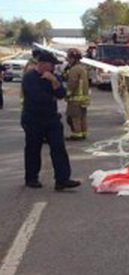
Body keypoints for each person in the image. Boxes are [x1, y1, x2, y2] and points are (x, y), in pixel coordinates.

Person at [21, 50, 80, 190]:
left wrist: (54, 81)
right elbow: (38, 98)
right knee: (33, 149)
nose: (54, 67)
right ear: (42, 64)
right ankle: (31, 178)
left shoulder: (55, 77)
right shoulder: (30, 77)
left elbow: (61, 94)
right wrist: (51, 95)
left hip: (51, 118)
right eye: (51, 65)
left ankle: (62, 179)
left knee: (58, 148)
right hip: (33, 118)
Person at [64, 48, 90, 141]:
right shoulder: (83, 68)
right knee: (82, 116)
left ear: (73, 59)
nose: (68, 60)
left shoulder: (74, 69)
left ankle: (76, 134)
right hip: (83, 98)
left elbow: (72, 83)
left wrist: (67, 94)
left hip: (75, 98)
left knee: (74, 117)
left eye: (69, 58)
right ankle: (83, 133)